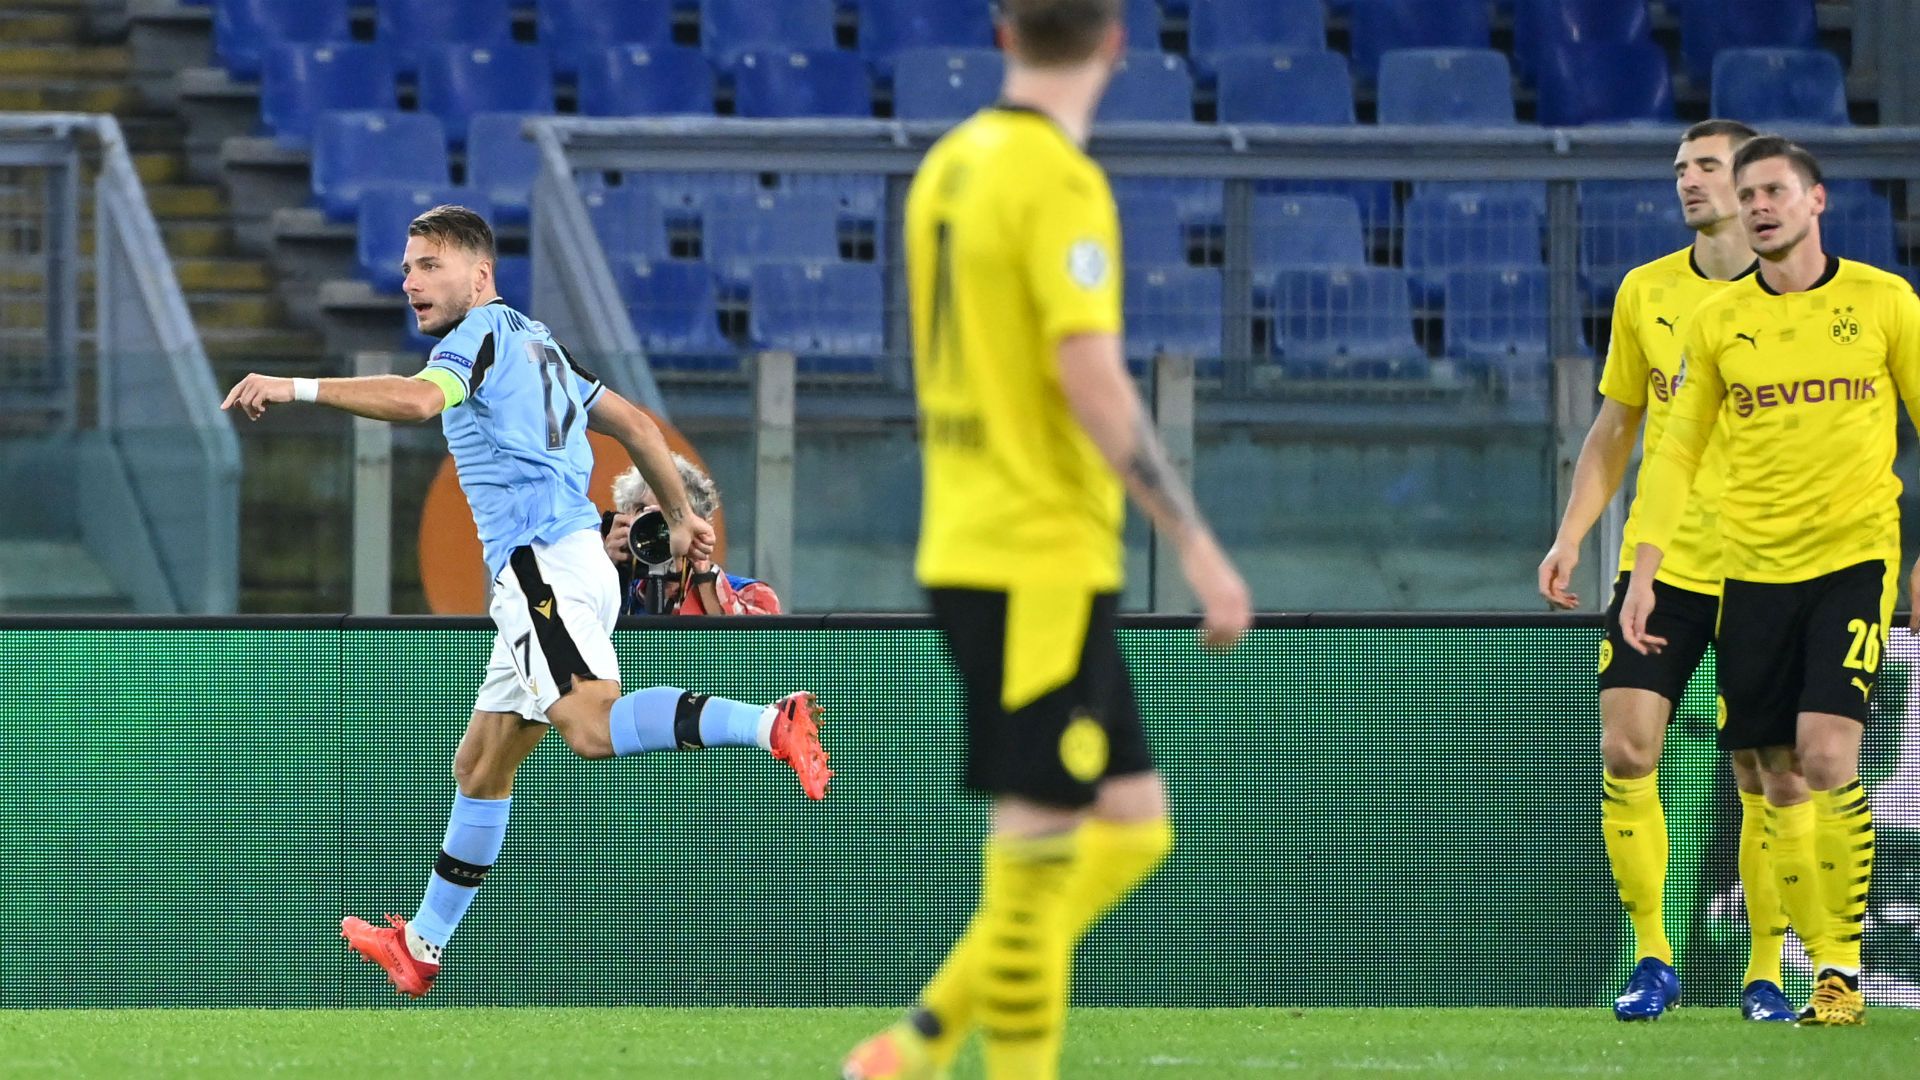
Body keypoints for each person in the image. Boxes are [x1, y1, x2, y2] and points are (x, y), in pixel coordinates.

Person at [219, 205, 832, 999]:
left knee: (590, 727)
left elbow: (415, 403)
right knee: (477, 766)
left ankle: (769, 723)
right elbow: (639, 424)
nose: (410, 281)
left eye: (428, 264)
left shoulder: (472, 341)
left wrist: (292, 384)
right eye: (406, 266)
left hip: (544, 565)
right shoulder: (537, 342)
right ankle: (422, 945)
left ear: (479, 276)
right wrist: (682, 516)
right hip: (557, 568)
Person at [842, 2, 1252, 1077]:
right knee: (1038, 843)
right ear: (1117, 42)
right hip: (1037, 552)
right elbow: (1088, 375)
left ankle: (921, 1041)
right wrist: (1196, 541)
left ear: (1001, 32)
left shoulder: (948, 164)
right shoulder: (1061, 180)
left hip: (979, 536)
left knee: (1133, 823)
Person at [1621, 136, 1920, 1027]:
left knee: (1827, 755)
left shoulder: (1884, 302)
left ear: (1816, 200)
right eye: (1746, 193)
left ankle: (1839, 966)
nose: (1757, 206)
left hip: (1853, 559)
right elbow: (1673, 453)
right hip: (1746, 569)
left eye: (1774, 191)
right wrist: (1644, 570)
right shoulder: (1716, 323)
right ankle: (1795, 966)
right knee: (1767, 771)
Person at [1537, 120, 1798, 1023]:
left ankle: (1768, 969)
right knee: (1626, 744)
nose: (1689, 181)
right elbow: (1615, 429)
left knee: (1763, 771)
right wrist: (1573, 532)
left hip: (1770, 566)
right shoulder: (1646, 292)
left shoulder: (1799, 301)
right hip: (1667, 563)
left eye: (1709, 167)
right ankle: (1653, 956)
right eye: (1681, 168)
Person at [602, 456, 781, 616]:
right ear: (627, 522)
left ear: (698, 525)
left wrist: (704, 575)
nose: (659, 526)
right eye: (642, 511)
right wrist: (605, 572)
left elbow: (750, 649)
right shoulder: (604, 592)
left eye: (671, 514)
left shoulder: (751, 594)